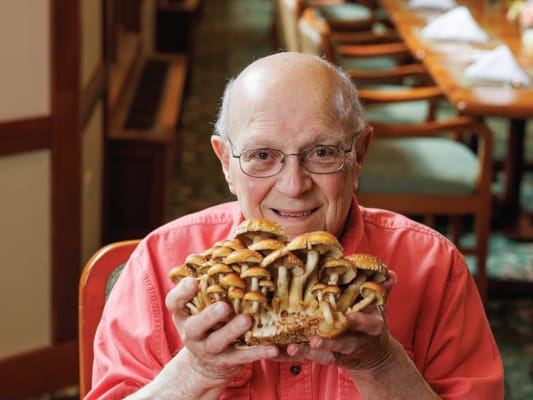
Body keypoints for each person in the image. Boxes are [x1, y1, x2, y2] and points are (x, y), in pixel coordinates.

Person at [86, 52, 503, 399]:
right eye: (262, 155)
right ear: (225, 164)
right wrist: (196, 370)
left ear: (359, 155)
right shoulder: (161, 264)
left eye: (322, 152)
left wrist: (382, 364)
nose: (293, 185)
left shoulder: (434, 265)